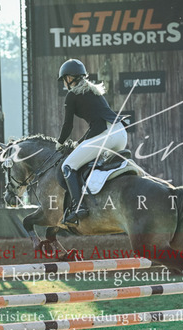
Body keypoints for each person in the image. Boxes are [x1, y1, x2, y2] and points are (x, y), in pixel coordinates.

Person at [57, 58, 127, 224]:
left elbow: (68, 125)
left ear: (69, 78)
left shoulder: (72, 95)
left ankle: (79, 206)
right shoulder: (94, 91)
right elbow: (97, 125)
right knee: (92, 165)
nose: (65, 83)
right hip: (120, 134)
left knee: (68, 166)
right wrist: (79, 143)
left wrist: (59, 143)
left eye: (65, 79)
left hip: (106, 135)